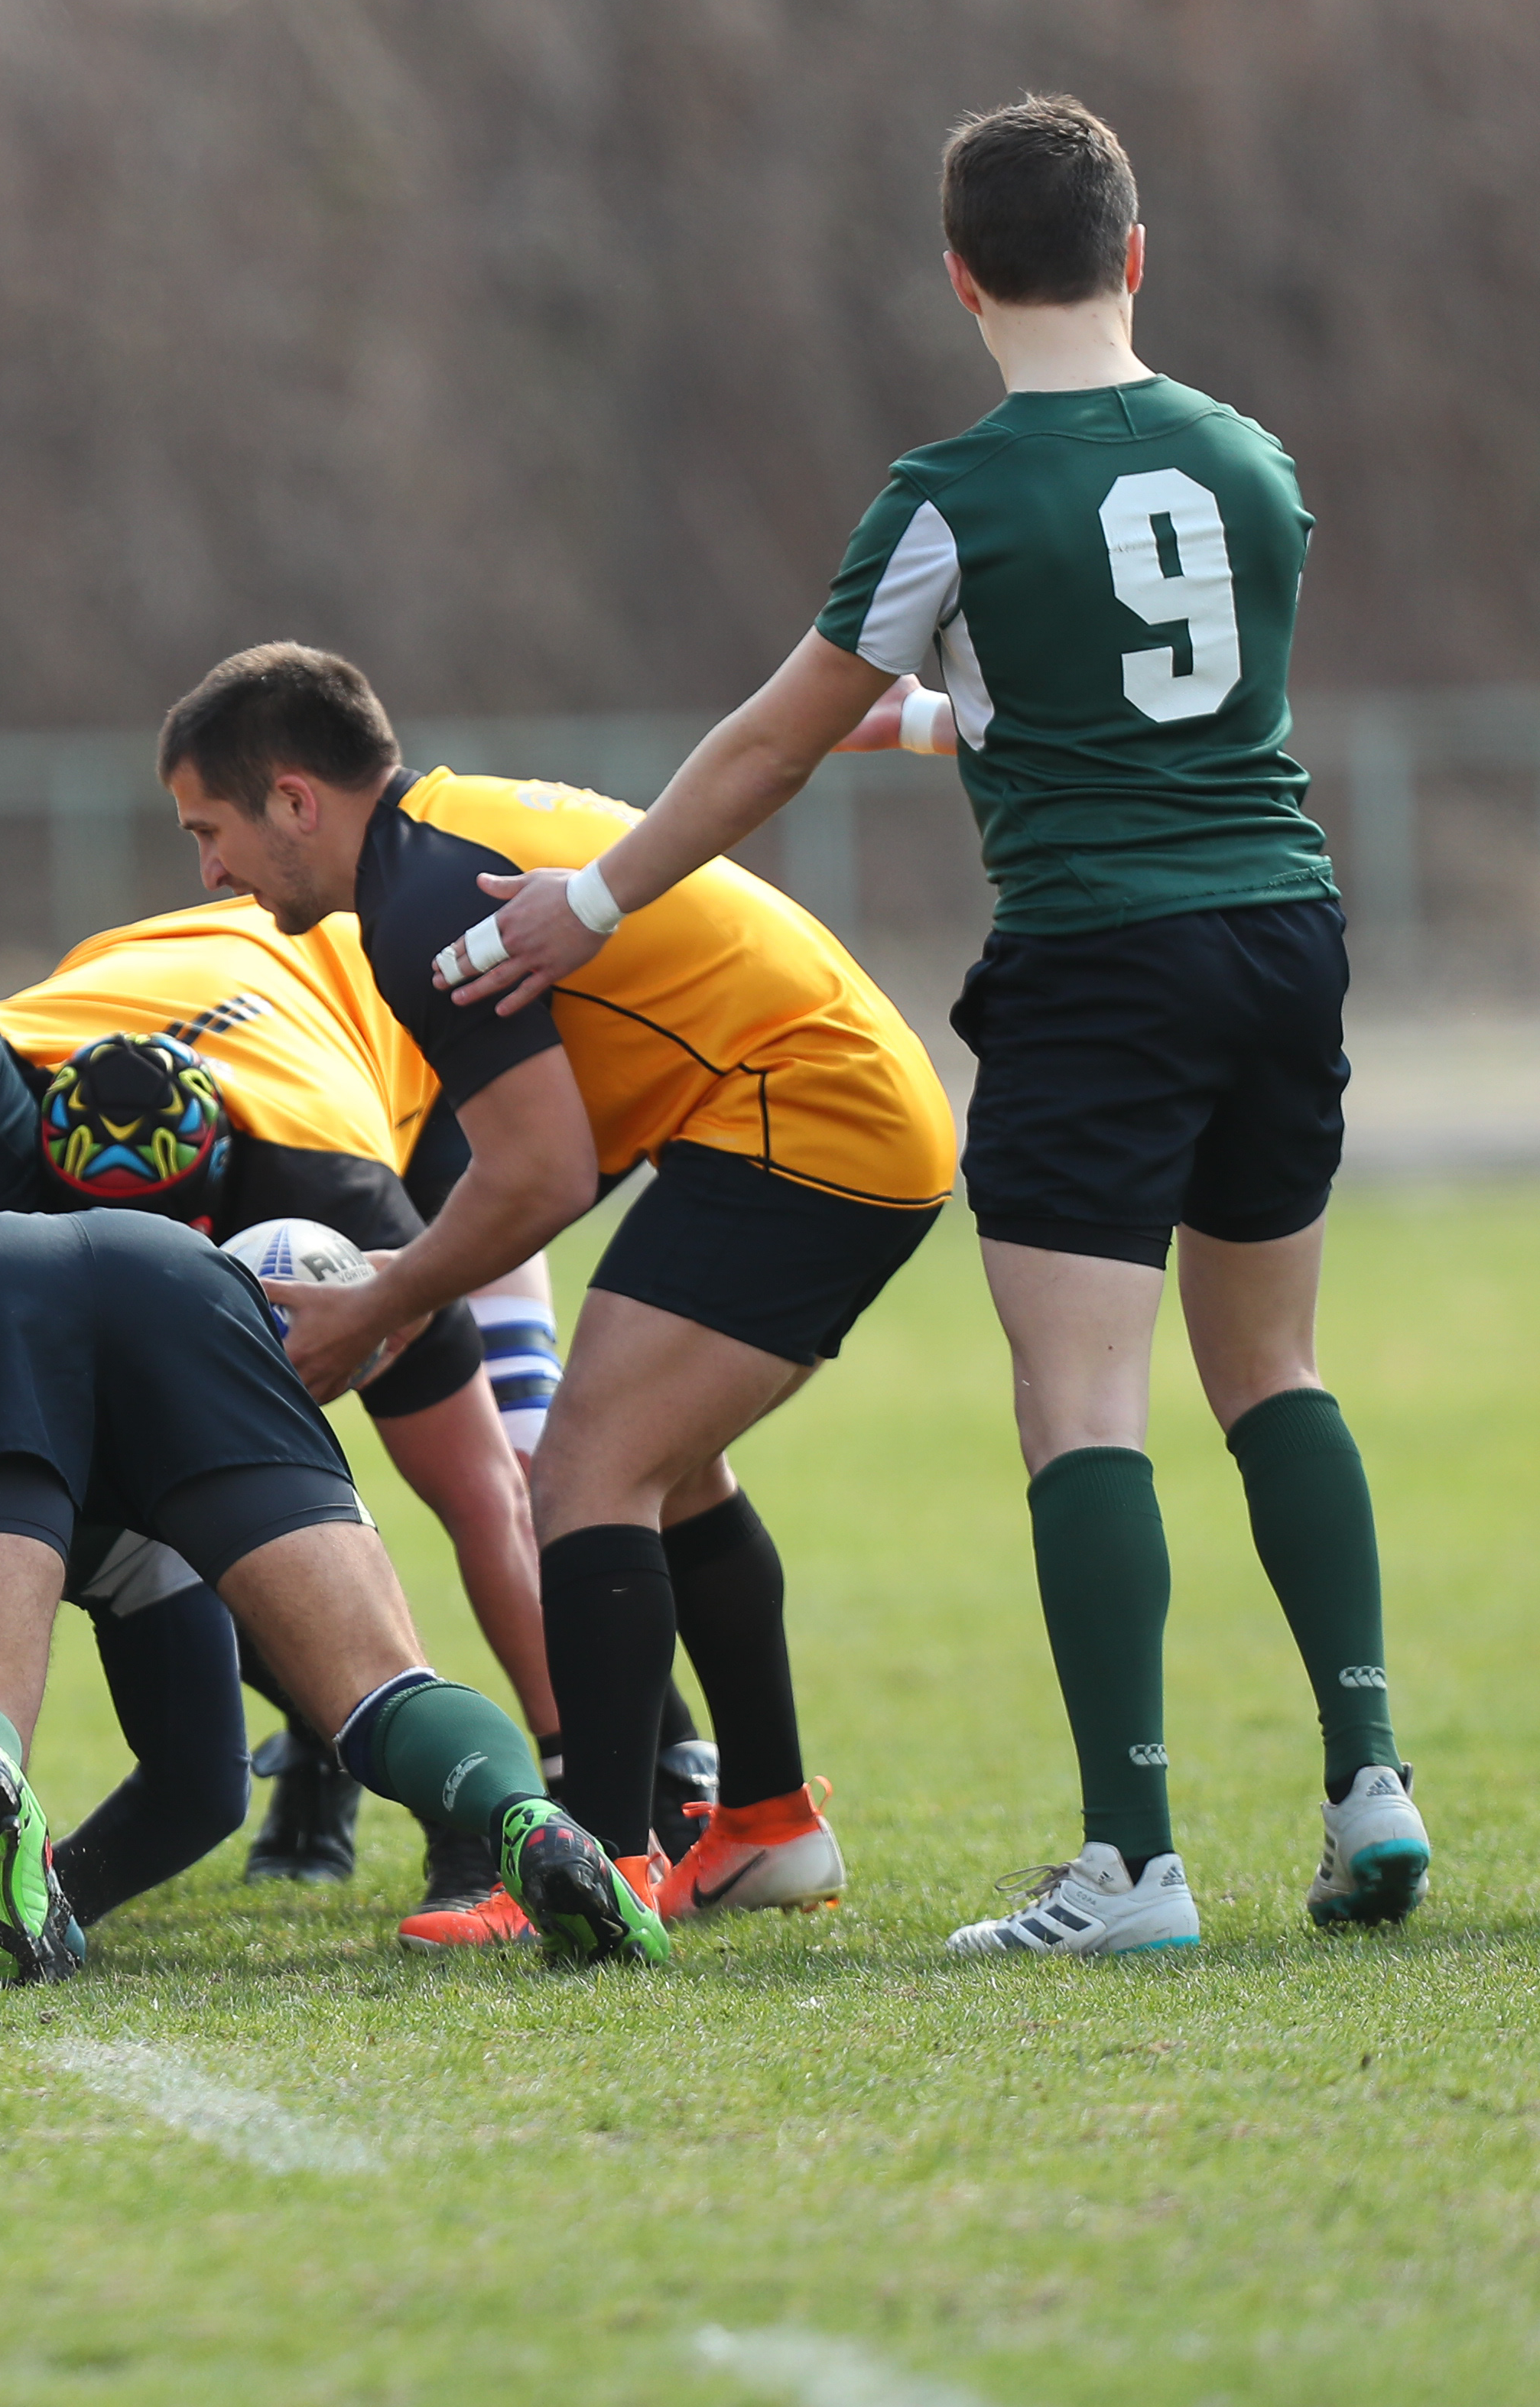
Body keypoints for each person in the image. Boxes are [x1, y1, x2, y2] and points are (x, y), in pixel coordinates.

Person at [443, 96, 1420, 1957]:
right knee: (1272, 1372)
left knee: (1079, 1404)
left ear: (957, 274)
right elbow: (1109, 706)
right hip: (1282, 933)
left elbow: (761, 743)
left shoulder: (952, 492)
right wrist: (927, 719)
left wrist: (580, 901)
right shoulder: (1250, 463)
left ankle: (1129, 1863)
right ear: (1133, 255)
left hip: (1096, 965)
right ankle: (1367, 1773)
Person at [156, 643, 956, 1948]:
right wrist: (419, 1283)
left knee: (584, 1470)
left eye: (211, 830)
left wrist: (384, 1298)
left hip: (806, 1118)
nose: (208, 870)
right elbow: (552, 1147)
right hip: (826, 1104)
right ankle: (764, 1825)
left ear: (294, 800)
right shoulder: (443, 831)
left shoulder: (416, 906)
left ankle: (604, 1861)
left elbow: (535, 1175)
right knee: (670, 1467)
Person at [0, 1182, 668, 1974]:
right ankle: (524, 1813)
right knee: (386, 1690)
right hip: (176, 1278)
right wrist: (72, 1896)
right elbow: (197, 1788)